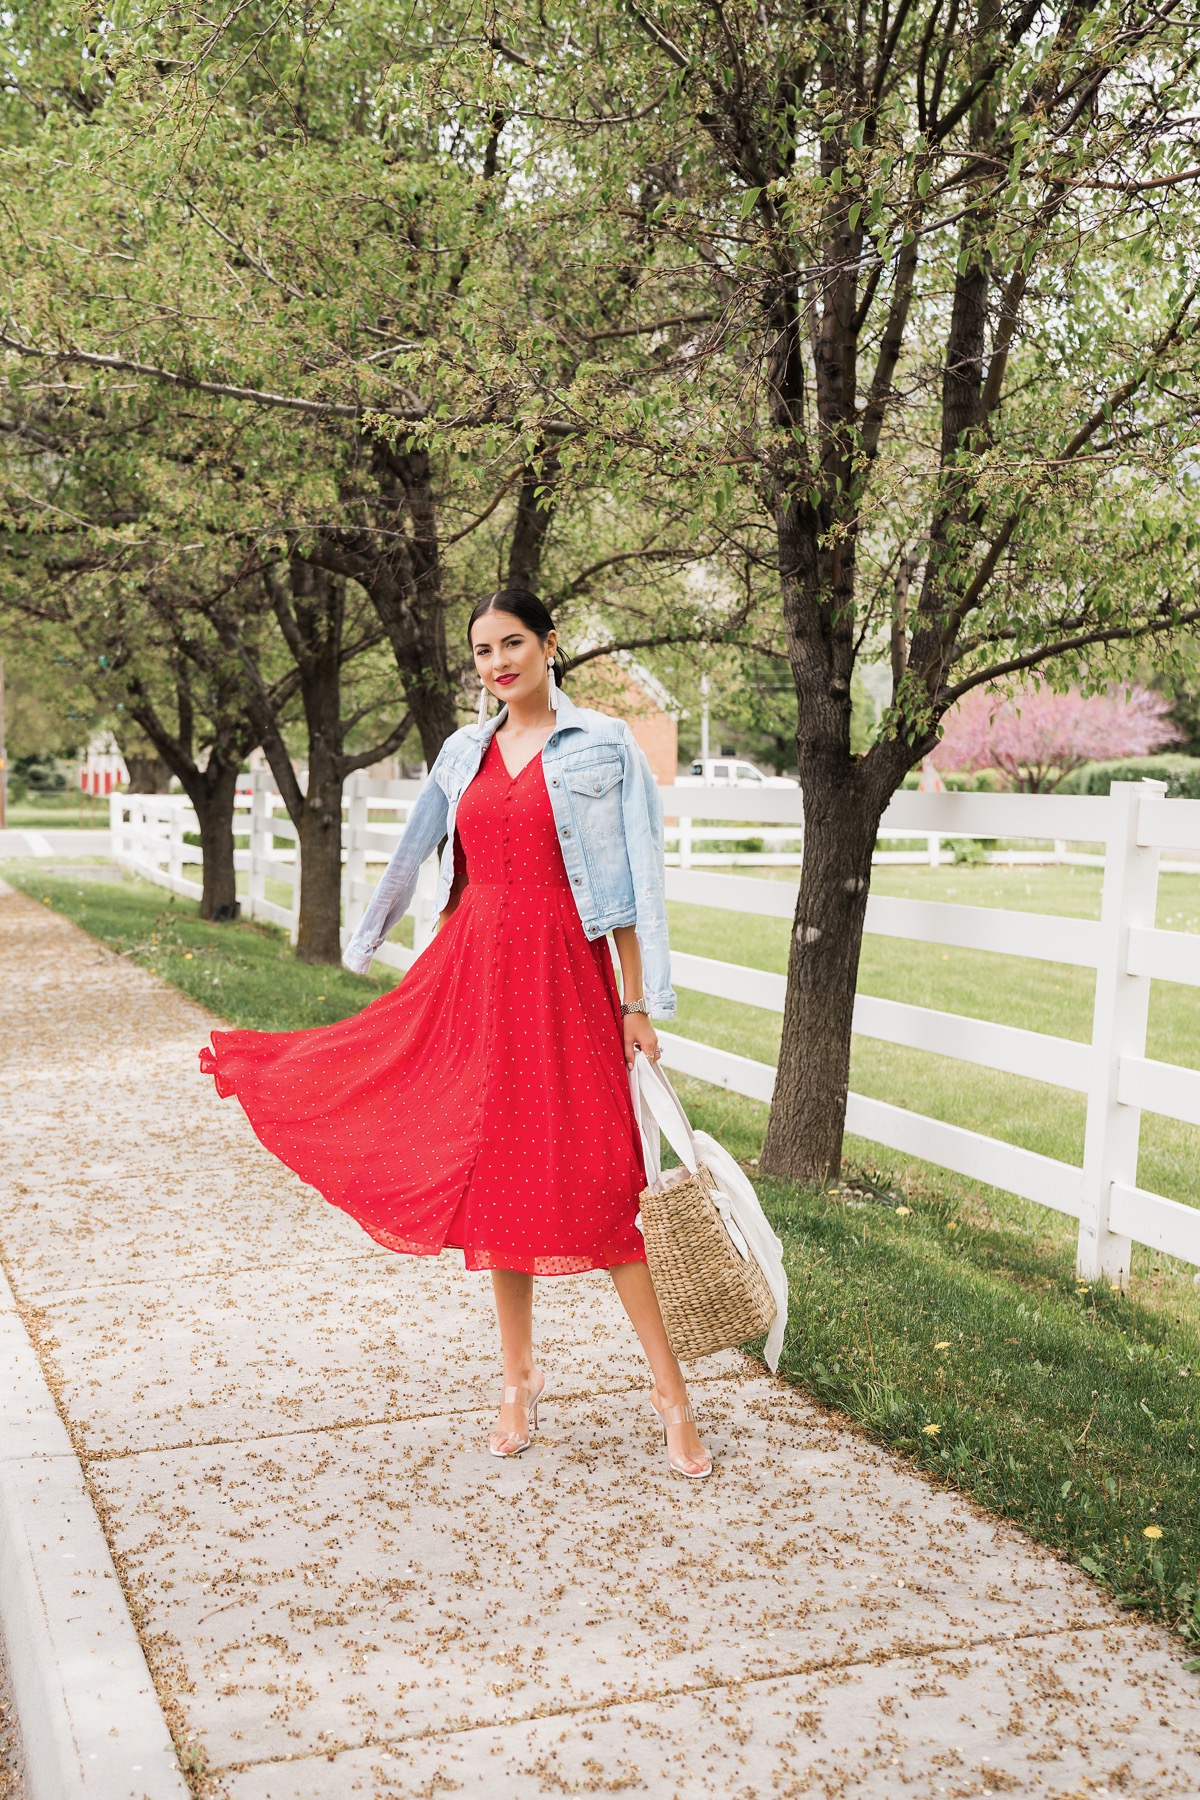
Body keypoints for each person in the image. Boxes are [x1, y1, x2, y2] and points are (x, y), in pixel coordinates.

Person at [200, 588, 712, 1480]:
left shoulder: (604, 747)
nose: (498, 663)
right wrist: (366, 941)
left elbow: (636, 887)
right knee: (500, 1181)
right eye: (482, 652)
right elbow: (414, 852)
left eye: (513, 644)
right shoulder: (462, 752)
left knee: (610, 1184)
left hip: (566, 977)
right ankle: (516, 1382)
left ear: (550, 646)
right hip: (477, 971)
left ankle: (671, 1396)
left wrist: (639, 1003)